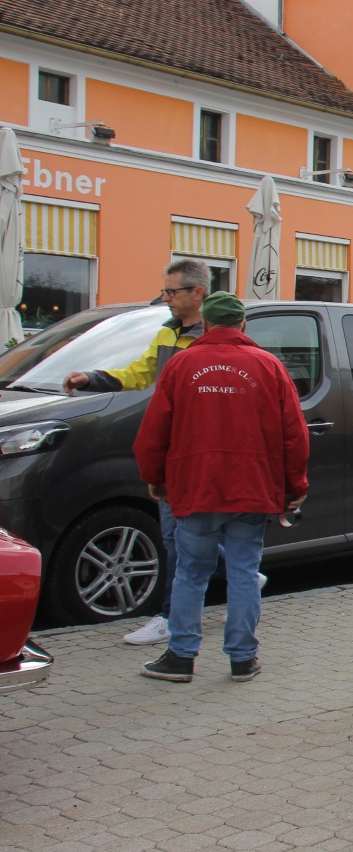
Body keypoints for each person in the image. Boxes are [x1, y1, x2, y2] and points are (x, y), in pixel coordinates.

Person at [132, 292, 308, 683]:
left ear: (206, 324)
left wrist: (156, 479)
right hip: (252, 488)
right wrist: (294, 486)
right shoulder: (269, 366)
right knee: (244, 572)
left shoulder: (181, 365)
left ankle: (181, 657)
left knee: (190, 574)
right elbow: (294, 435)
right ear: (243, 326)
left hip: (194, 489)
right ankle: (243, 658)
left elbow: (152, 434)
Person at [63, 258, 214, 646]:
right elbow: (142, 372)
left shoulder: (213, 335)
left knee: (180, 535)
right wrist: (92, 378)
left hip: (200, 450)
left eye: (171, 291)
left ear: (197, 294)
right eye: (164, 290)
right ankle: (236, 570)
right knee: (176, 536)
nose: (164, 298)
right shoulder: (167, 334)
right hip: (171, 447)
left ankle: (171, 616)